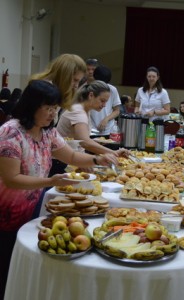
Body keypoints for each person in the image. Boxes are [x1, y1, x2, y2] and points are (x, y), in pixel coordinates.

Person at [0, 80, 118, 300]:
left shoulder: (47, 132)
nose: (52, 113)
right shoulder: (10, 133)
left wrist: (96, 158)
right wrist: (49, 182)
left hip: (29, 207)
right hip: (4, 211)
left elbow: (71, 156)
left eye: (55, 108)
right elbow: (12, 179)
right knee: (5, 265)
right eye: (48, 108)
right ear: (31, 105)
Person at [57, 80, 129, 157]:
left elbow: (79, 139)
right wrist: (114, 153)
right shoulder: (78, 112)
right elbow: (84, 142)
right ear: (91, 95)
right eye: (102, 101)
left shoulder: (84, 110)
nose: (104, 105)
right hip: (64, 160)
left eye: (106, 102)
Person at [90, 65, 121, 138]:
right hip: (91, 130)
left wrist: (106, 119)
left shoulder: (112, 90)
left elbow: (117, 111)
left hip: (108, 130)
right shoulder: (89, 89)